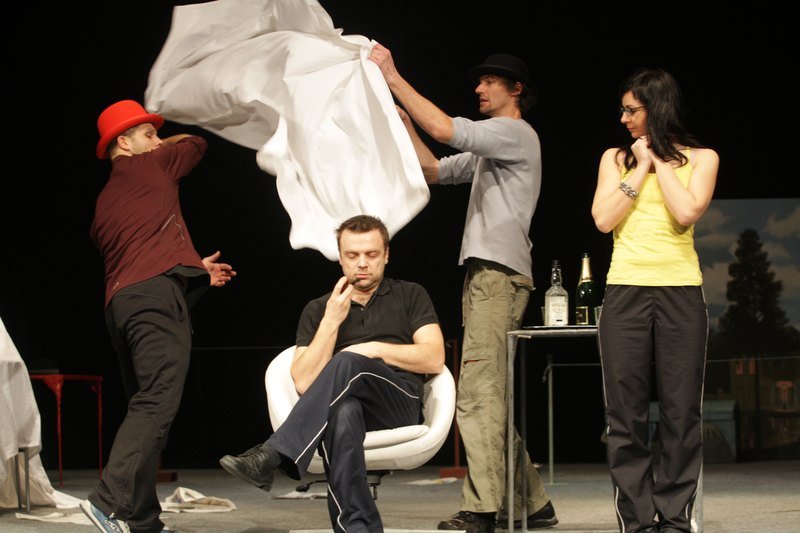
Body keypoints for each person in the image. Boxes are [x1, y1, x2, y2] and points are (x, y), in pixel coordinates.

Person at [369, 45, 557, 532]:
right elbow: (435, 170)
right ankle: (533, 502)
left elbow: (444, 129)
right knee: (488, 395)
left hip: (497, 276)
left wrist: (392, 75)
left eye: (489, 81)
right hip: (486, 275)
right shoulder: (496, 150)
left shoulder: (514, 133)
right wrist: (404, 125)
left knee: (477, 396)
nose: (479, 88)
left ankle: (482, 509)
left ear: (517, 90)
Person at [219, 215, 445, 533]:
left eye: (371, 254)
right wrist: (331, 321)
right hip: (343, 406)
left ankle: (274, 452)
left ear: (386, 254)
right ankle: (357, 528)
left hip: (397, 402)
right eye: (353, 255)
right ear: (340, 257)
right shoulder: (319, 309)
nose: (362, 263)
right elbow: (303, 381)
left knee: (349, 360)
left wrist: (371, 350)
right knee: (343, 412)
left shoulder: (410, 295)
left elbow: (434, 357)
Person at [81, 100, 236, 533]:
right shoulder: (151, 164)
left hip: (121, 307)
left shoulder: (105, 200)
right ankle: (107, 501)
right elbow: (196, 144)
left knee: (147, 406)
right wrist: (162, 143)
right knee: (157, 402)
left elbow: (142, 250)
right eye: (147, 133)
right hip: (151, 301)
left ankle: (143, 518)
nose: (156, 140)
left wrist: (193, 267)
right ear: (123, 143)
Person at [591, 68, 719, 533]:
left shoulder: (702, 158)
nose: (623, 118)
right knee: (625, 413)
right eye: (623, 110)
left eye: (631, 110)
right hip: (625, 291)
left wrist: (660, 161)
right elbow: (603, 219)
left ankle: (675, 519)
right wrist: (639, 166)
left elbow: (686, 212)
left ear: (656, 108)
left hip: (681, 291)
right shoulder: (615, 158)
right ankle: (638, 521)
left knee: (681, 412)